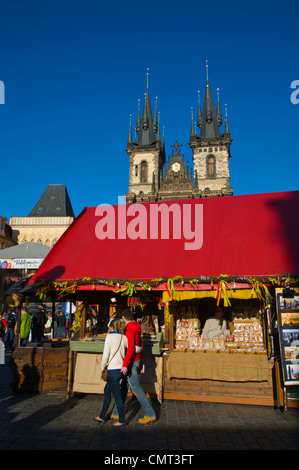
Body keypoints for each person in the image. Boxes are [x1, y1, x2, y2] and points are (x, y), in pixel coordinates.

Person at [111, 308, 156, 424]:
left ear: (123, 318)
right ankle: (116, 412)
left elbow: (131, 347)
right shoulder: (136, 326)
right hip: (135, 360)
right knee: (124, 387)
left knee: (136, 388)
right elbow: (139, 344)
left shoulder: (130, 328)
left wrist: (125, 364)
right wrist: (140, 361)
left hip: (130, 361)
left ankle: (150, 413)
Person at [93, 318, 128, 427]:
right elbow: (130, 348)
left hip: (112, 370)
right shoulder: (124, 337)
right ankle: (102, 416)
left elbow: (106, 355)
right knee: (107, 391)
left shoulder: (109, 337)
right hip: (121, 369)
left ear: (112, 327)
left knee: (117, 396)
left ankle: (122, 420)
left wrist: (103, 367)